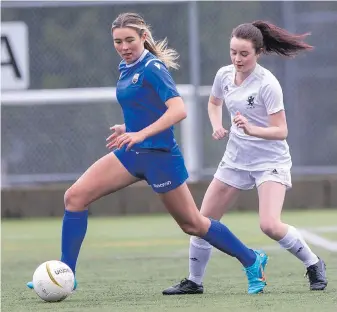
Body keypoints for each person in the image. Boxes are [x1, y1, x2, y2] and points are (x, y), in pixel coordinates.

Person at [26, 13, 268, 295]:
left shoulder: (153, 67)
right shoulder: (125, 66)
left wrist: (141, 133)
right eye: (118, 41)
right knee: (74, 197)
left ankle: (252, 260)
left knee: (193, 223)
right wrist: (128, 128)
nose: (124, 46)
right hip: (131, 153)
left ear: (143, 37)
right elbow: (145, 107)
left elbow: (179, 110)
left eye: (129, 40)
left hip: (160, 158)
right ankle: (66, 274)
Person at [162, 20, 328, 296]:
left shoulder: (268, 84)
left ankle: (313, 263)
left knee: (270, 225)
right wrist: (217, 125)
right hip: (235, 159)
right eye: (233, 52)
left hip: (269, 161)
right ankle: (194, 281)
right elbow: (214, 102)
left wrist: (253, 129)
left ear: (258, 53)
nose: (237, 59)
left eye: (244, 54)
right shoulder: (224, 75)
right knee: (202, 221)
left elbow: (281, 130)